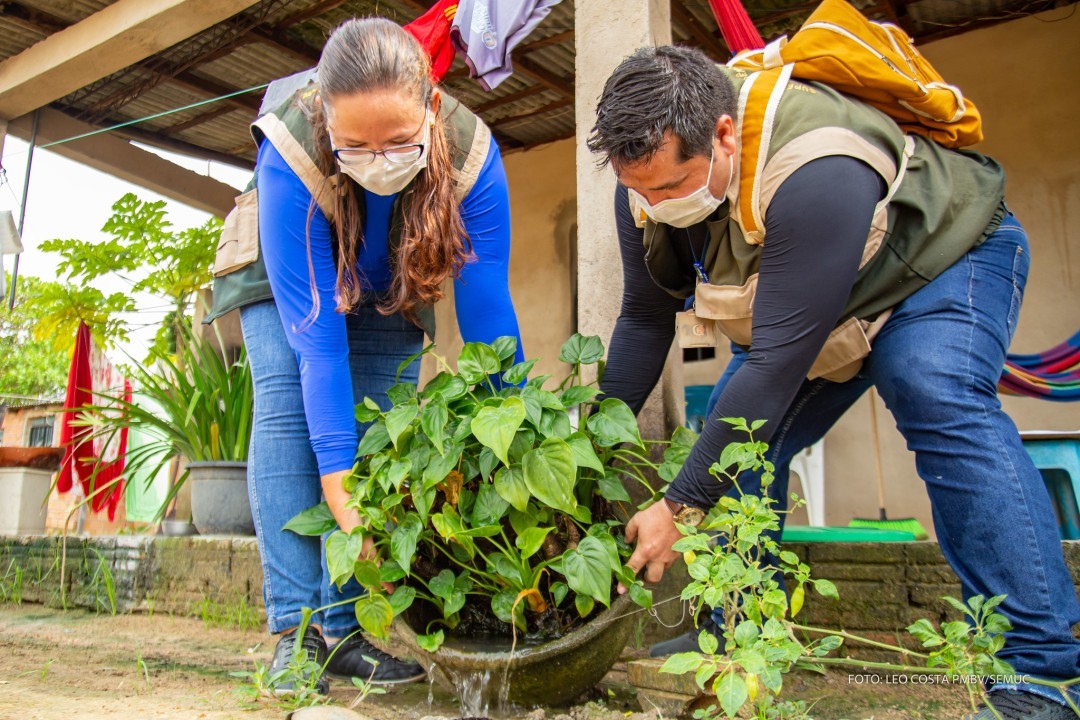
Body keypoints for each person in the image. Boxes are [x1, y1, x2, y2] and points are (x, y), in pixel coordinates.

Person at [586, 45, 1080, 719]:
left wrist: (676, 507)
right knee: (733, 448)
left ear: (724, 134)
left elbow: (776, 363)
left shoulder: (817, 162)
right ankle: (736, 634)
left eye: (671, 188)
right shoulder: (643, 184)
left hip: (940, 262)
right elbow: (645, 321)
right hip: (824, 303)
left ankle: (1038, 668)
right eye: (639, 191)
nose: (654, 204)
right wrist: (584, 455)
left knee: (931, 387)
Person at [206, 18, 522, 693]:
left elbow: (487, 310)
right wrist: (346, 507)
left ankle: (345, 632)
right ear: (325, 118)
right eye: (355, 145)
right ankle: (296, 632)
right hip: (286, 272)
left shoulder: (470, 156)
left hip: (393, 273)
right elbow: (319, 348)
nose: (378, 159)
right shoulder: (291, 152)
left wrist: (515, 445)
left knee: (384, 422)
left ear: (432, 109)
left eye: (399, 142)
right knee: (294, 417)